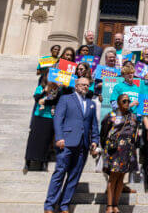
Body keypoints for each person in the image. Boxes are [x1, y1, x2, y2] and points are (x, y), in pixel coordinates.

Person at [44, 76, 100, 213]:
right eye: (82, 85)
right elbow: (58, 119)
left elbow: (94, 125)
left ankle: (64, 205)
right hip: (67, 143)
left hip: (83, 145)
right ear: (76, 86)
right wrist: (59, 137)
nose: (85, 87)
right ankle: (49, 205)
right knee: (60, 173)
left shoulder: (91, 103)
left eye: (87, 85)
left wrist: (94, 140)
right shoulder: (66, 99)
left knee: (74, 177)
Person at [101, 93, 139, 213]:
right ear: (118, 103)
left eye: (128, 101)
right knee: (113, 179)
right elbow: (103, 134)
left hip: (127, 152)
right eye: (124, 101)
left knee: (121, 179)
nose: (126, 103)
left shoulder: (133, 116)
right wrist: (106, 148)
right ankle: (109, 206)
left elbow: (135, 133)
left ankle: (116, 205)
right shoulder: (111, 115)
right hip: (114, 151)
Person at [25, 77, 60, 171]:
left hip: (49, 117)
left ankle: (43, 161)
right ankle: (28, 161)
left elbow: (55, 101)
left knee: (46, 140)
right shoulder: (40, 88)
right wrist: (45, 91)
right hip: (39, 116)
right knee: (33, 139)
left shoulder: (57, 89)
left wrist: (45, 101)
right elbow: (37, 98)